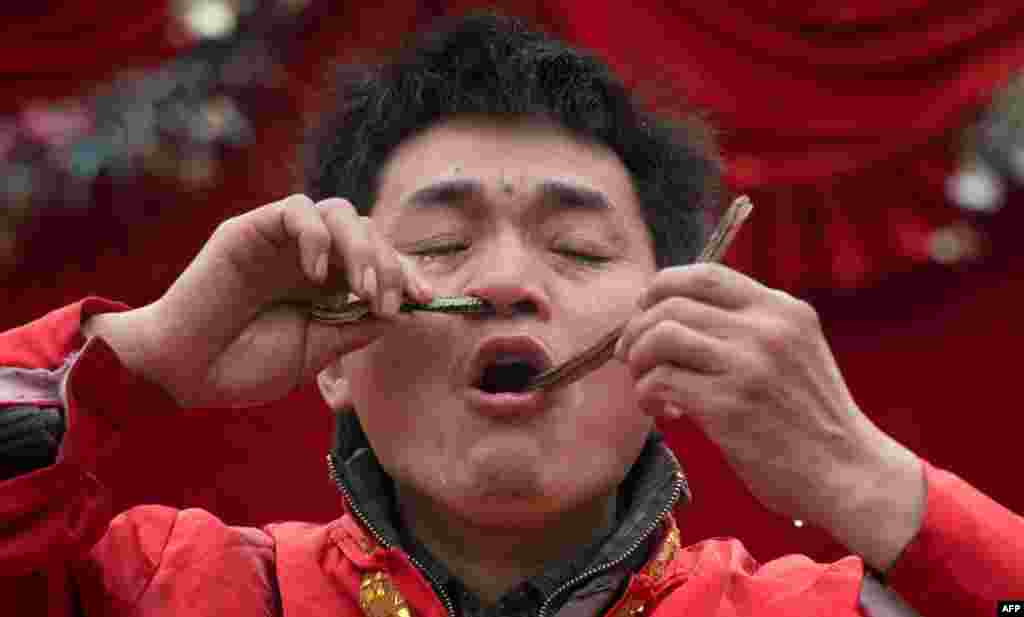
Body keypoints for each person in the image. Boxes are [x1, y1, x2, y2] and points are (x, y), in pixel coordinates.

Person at [1, 11, 1021, 617]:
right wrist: (141, 356)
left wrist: (862, 474)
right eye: (438, 244)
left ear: (668, 342)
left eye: (577, 248)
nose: (503, 280)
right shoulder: (173, 587)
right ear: (336, 357)